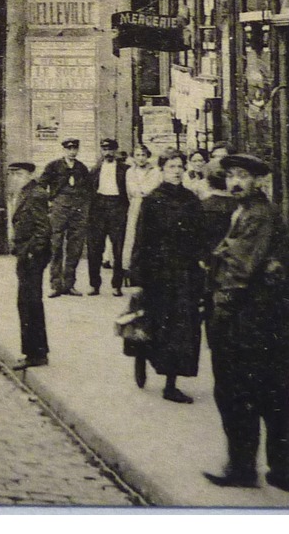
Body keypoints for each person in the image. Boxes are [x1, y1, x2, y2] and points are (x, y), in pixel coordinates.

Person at [203, 152, 289, 492]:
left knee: (236, 394)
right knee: (272, 395)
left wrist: (220, 311)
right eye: (230, 175)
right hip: (265, 321)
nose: (235, 182)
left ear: (258, 180)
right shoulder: (249, 210)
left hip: (246, 321)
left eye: (243, 175)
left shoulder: (256, 215)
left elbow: (241, 271)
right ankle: (283, 469)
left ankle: (243, 468)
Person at [128, 151, 208, 404]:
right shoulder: (153, 200)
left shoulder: (191, 200)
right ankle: (141, 356)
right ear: (162, 169)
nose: (176, 170)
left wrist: (202, 263)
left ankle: (170, 384)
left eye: (179, 167)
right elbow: (141, 240)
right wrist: (137, 278)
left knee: (181, 330)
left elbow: (200, 236)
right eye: (171, 166)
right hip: (157, 273)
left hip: (184, 274)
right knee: (154, 323)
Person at [9, 162, 51, 370]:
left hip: (32, 256)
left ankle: (35, 354)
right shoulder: (26, 192)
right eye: (13, 175)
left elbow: (43, 229)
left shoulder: (36, 194)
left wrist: (31, 252)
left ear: (29, 175)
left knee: (29, 303)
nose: (15, 178)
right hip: (26, 253)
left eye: (19, 174)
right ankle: (36, 351)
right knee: (27, 302)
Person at [40, 139, 94, 297]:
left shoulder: (81, 168)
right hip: (59, 209)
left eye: (74, 148)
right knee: (56, 245)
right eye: (69, 148)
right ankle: (56, 284)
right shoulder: (53, 166)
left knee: (75, 247)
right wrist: (49, 203)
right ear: (64, 150)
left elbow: (89, 189)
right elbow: (42, 185)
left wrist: (84, 208)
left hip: (78, 210)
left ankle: (69, 284)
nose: (72, 151)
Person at [87, 139, 129, 296]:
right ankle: (94, 285)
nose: (108, 152)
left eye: (111, 149)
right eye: (105, 149)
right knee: (95, 248)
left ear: (116, 150)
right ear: (101, 151)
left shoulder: (125, 169)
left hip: (117, 207)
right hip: (98, 208)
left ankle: (116, 285)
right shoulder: (95, 169)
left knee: (118, 247)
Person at [122, 145, 161, 281]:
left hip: (150, 206)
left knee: (149, 235)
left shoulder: (155, 171)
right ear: (133, 157)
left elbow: (153, 188)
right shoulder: (130, 172)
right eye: (138, 155)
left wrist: (143, 192)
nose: (141, 158)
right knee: (133, 236)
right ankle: (130, 270)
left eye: (143, 155)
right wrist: (139, 193)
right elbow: (131, 190)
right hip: (135, 205)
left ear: (148, 156)